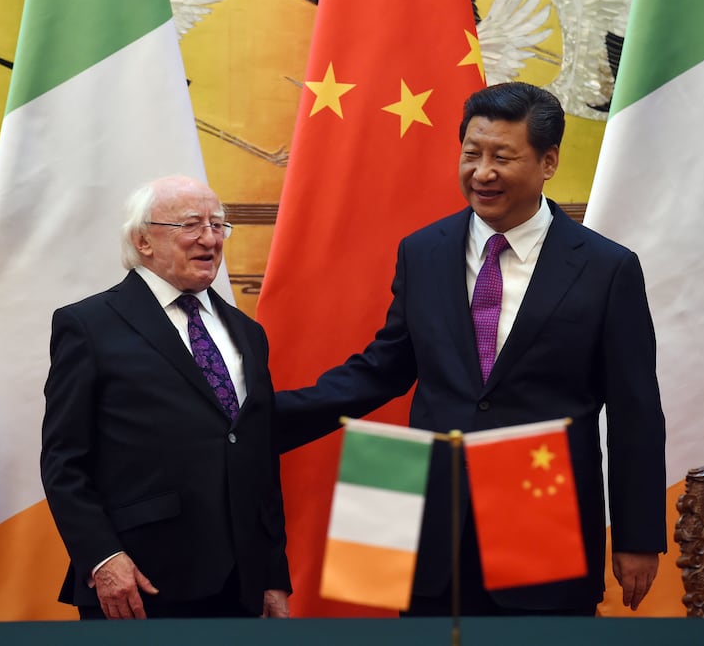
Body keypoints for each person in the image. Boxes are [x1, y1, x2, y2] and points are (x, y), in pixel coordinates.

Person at [277, 82, 666, 617]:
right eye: (471, 154)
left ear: (548, 161)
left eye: (502, 157)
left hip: (540, 518)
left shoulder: (606, 268)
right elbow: (381, 371)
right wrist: (264, 421)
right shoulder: (423, 252)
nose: (482, 172)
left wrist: (637, 534)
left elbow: (635, 411)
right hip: (429, 523)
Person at [41, 175, 291, 620]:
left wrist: (272, 574)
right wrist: (101, 558)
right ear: (143, 240)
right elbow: (64, 462)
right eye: (192, 225)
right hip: (140, 584)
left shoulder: (248, 333)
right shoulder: (89, 325)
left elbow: (258, 458)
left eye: (219, 225)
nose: (210, 239)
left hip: (240, 588)